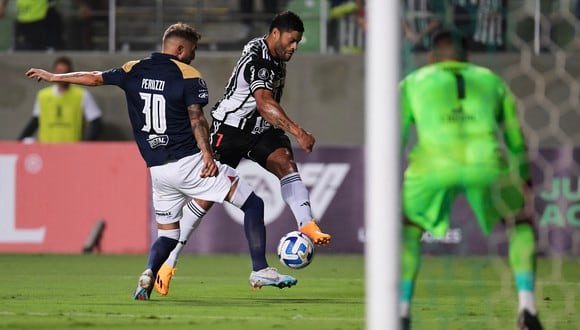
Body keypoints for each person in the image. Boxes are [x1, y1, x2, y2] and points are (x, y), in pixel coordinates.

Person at [25, 22, 298, 300]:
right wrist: (207, 155)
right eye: (192, 50)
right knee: (253, 203)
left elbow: (94, 77)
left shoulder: (134, 69)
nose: (193, 56)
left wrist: (54, 77)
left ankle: (147, 274)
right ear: (179, 49)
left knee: (167, 236)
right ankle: (260, 269)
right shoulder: (188, 74)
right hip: (190, 163)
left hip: (158, 171)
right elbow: (197, 119)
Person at [153, 11, 331, 296]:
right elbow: (263, 102)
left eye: (298, 42)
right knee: (205, 197)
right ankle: (168, 261)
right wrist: (297, 131)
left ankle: (306, 224)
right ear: (275, 33)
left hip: (260, 129)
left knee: (285, 163)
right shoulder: (260, 60)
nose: (294, 47)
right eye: (291, 40)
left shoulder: (272, 55)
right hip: (230, 130)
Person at [399, 29, 543, 330]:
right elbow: (516, 139)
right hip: (486, 163)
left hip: (432, 166)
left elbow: (394, 139)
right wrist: (524, 178)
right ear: (468, 57)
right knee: (521, 224)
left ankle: (401, 312)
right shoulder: (491, 80)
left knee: (408, 231)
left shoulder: (413, 82)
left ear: (430, 58)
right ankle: (527, 307)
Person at [19, 56, 103, 143]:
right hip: (46, 149)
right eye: (59, 72)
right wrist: (19, 142)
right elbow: (35, 121)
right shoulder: (43, 95)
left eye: (65, 73)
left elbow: (96, 123)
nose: (61, 76)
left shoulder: (82, 95)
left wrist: (86, 146)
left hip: (71, 149)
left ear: (70, 74)